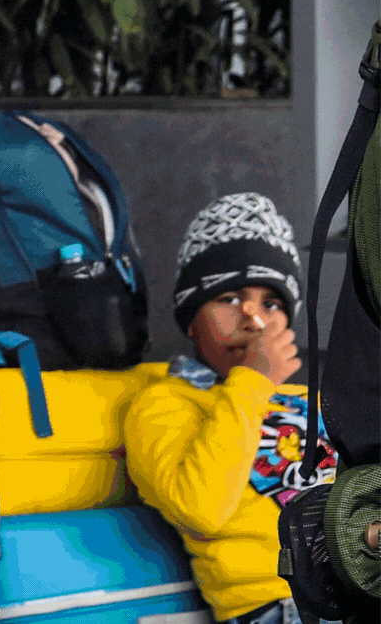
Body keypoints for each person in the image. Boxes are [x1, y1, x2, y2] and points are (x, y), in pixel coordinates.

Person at [125, 193, 339, 624]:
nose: (253, 319)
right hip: (277, 608)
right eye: (228, 298)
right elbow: (202, 510)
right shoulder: (165, 403)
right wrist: (252, 381)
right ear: (190, 319)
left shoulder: (312, 399)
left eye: (271, 304)